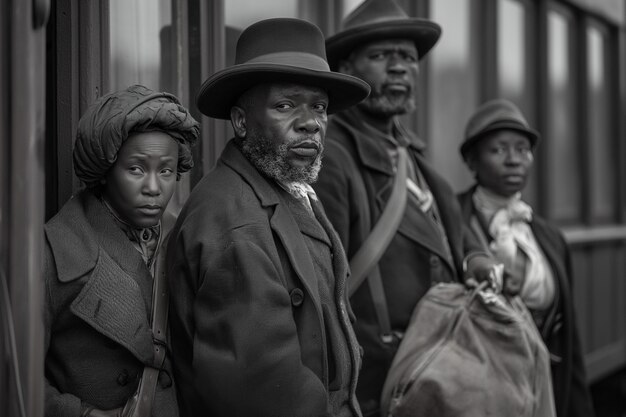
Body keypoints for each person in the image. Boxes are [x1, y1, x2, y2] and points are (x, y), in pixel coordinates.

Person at [165, 18, 371, 417]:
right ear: (241, 121)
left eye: (320, 107)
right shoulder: (235, 223)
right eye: (285, 105)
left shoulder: (284, 187)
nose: (311, 122)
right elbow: (262, 393)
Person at [313, 1, 500, 415]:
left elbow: (454, 232)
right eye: (381, 56)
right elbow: (323, 295)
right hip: (377, 390)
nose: (399, 68)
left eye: (409, 58)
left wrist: (477, 257)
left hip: (433, 376)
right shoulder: (331, 157)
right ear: (346, 68)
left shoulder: (411, 156)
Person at [43, 85, 199, 417]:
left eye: (166, 171)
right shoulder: (54, 253)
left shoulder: (187, 238)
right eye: (137, 170)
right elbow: (16, 375)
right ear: (105, 172)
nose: (154, 188)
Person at [456, 98, 596, 417]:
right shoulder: (451, 220)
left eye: (522, 149)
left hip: (542, 389)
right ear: (472, 161)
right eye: (499, 149)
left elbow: (568, 336)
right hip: (475, 391)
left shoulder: (550, 237)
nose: (513, 160)